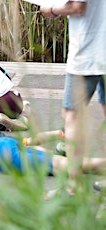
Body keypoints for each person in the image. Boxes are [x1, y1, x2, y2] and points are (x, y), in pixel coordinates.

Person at [40, 1, 106, 190]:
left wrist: (51, 10)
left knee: (72, 117)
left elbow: (77, 6)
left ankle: (72, 187)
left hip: (90, 51)